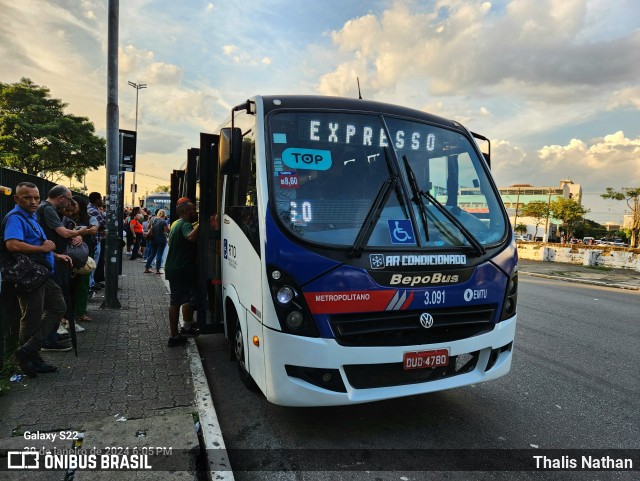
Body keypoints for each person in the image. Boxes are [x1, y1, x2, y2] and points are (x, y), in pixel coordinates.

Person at [2, 182, 69, 376]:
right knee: (31, 317)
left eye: (36, 198)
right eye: (27, 197)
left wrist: (55, 255)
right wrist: (43, 249)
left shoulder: (31, 216)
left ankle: (29, 350)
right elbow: (13, 245)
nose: (33, 201)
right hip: (29, 275)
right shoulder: (15, 218)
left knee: (57, 306)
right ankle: (29, 360)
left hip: (41, 273)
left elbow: (38, 243)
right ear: (17, 198)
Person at [36, 185, 92, 352]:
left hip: (56, 259)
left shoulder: (49, 209)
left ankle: (51, 335)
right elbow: (64, 233)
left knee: (57, 301)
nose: (69, 204)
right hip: (51, 261)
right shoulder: (47, 209)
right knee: (55, 303)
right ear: (60, 198)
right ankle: (47, 339)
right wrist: (84, 231)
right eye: (68, 200)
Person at [164, 199, 200, 347]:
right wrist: (202, 223)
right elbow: (190, 237)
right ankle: (174, 336)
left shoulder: (176, 223)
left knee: (187, 298)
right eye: (193, 210)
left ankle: (185, 327)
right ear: (186, 212)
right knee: (175, 302)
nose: (195, 212)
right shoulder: (185, 225)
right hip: (179, 269)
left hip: (178, 268)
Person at [68, 196, 98, 323]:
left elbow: (94, 229)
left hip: (83, 256)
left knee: (82, 285)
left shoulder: (90, 218)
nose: (70, 206)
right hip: (67, 255)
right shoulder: (64, 217)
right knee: (68, 286)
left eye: (73, 204)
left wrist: (80, 233)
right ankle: (69, 314)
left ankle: (81, 312)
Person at [87, 192, 105, 292]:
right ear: (97, 200)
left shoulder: (92, 209)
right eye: (101, 198)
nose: (102, 201)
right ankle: (90, 284)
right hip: (95, 239)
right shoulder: (93, 210)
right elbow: (103, 223)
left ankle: (92, 282)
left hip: (95, 239)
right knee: (93, 263)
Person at [144, 209, 170, 274]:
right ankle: (158, 270)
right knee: (159, 255)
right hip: (161, 239)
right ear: (164, 214)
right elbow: (166, 231)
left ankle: (147, 268)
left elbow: (148, 227)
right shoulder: (163, 221)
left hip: (153, 239)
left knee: (152, 254)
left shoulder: (152, 219)